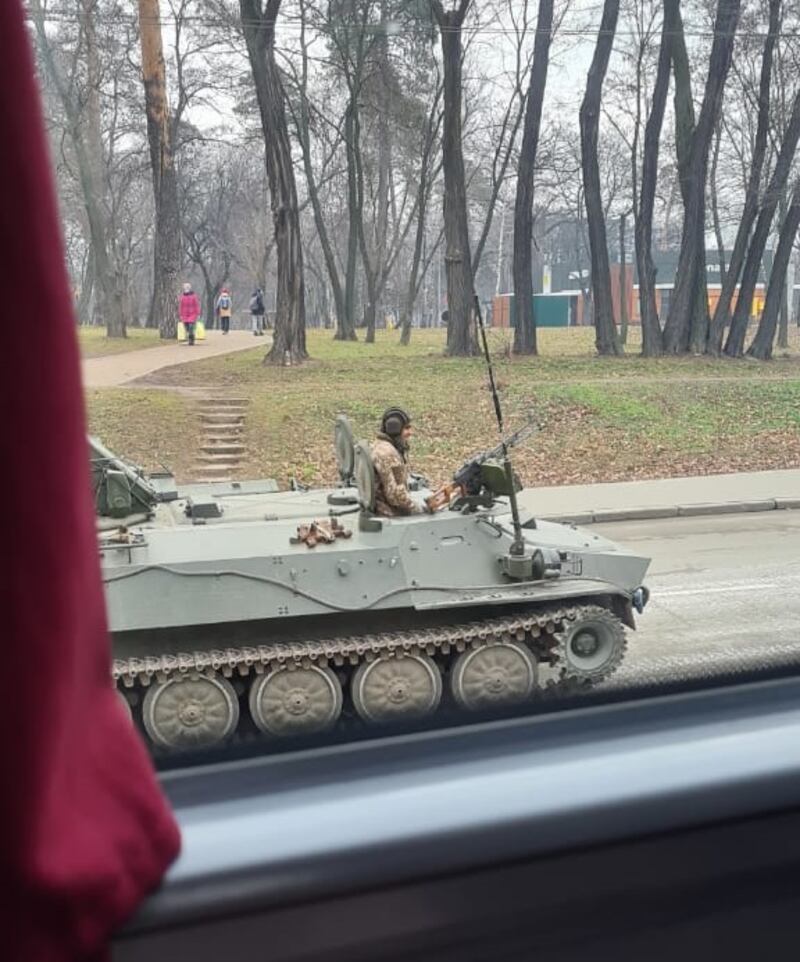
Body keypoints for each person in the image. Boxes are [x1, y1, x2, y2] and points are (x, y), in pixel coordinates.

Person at [370, 407, 425, 517]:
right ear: (395, 429)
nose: (410, 433)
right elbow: (395, 497)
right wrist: (419, 508)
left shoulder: (380, 444)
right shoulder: (388, 454)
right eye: (406, 428)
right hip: (388, 512)